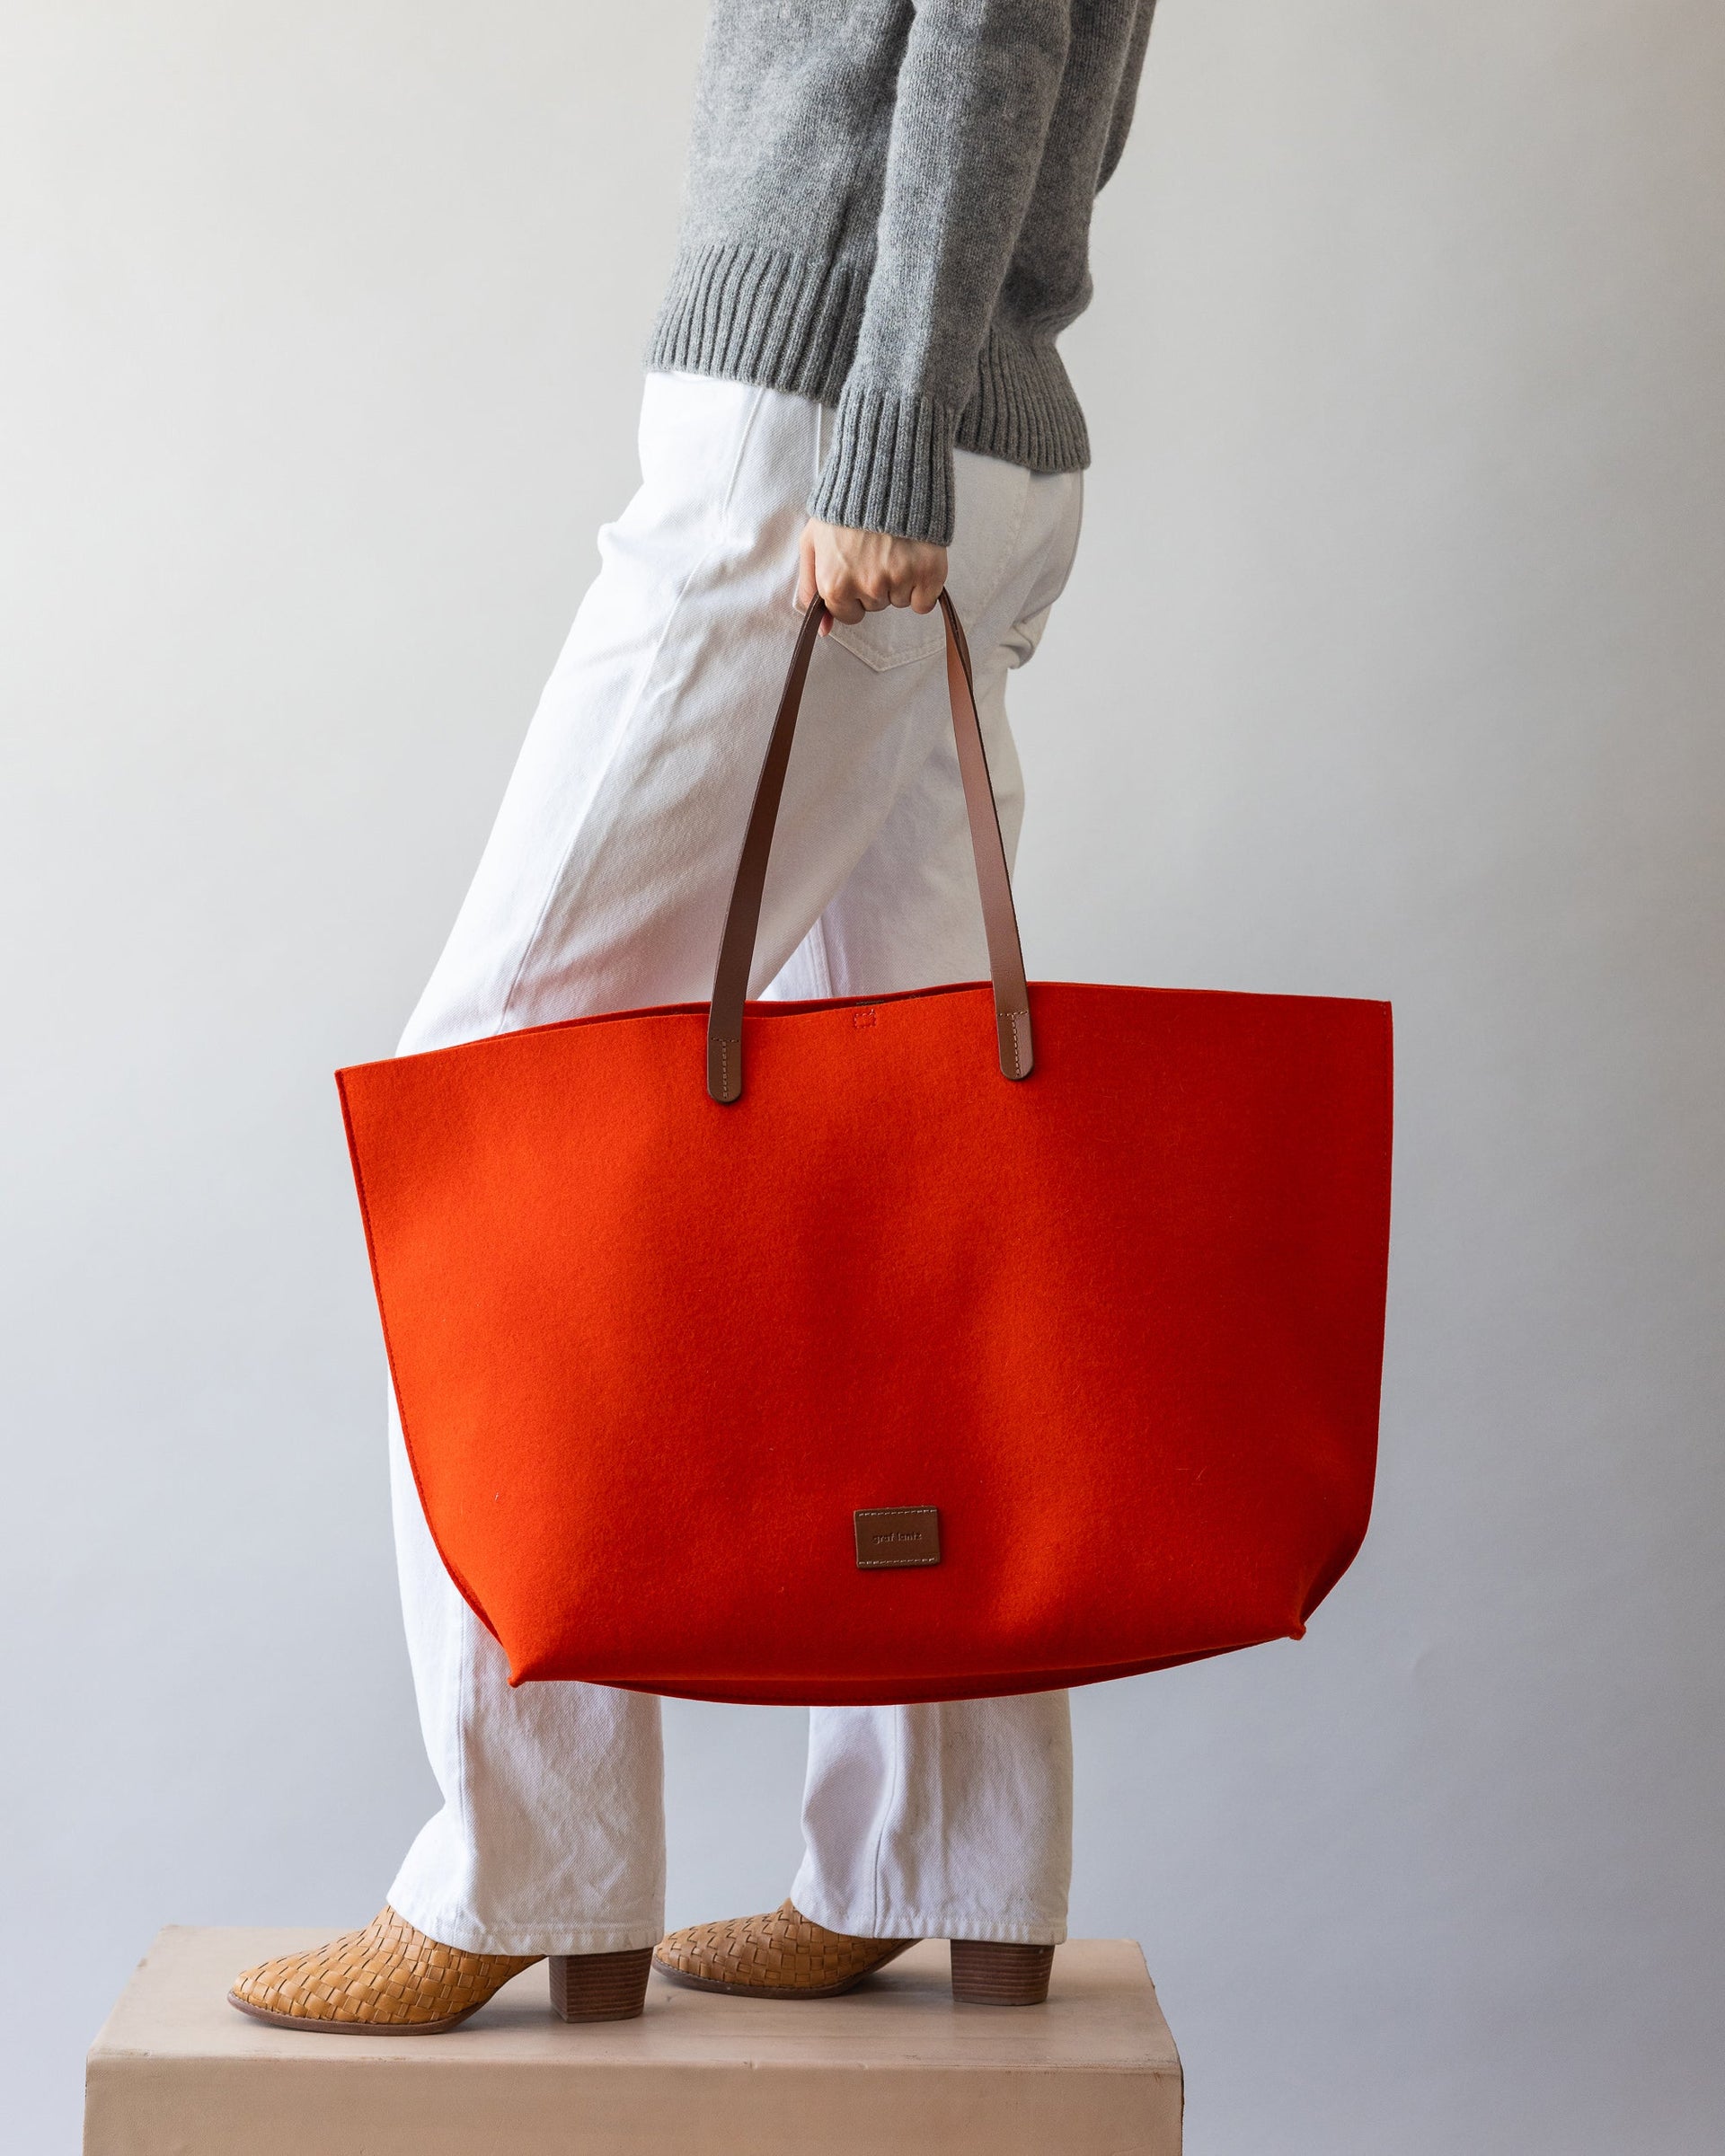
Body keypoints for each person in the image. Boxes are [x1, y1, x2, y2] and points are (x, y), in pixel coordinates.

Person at [229, 0, 1157, 2033]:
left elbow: (986, 32)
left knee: (488, 1109)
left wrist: (888, 426)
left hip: (824, 444)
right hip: (956, 431)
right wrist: (942, 420)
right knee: (927, 1168)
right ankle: (946, 1858)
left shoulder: (852, 426)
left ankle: (522, 1865)